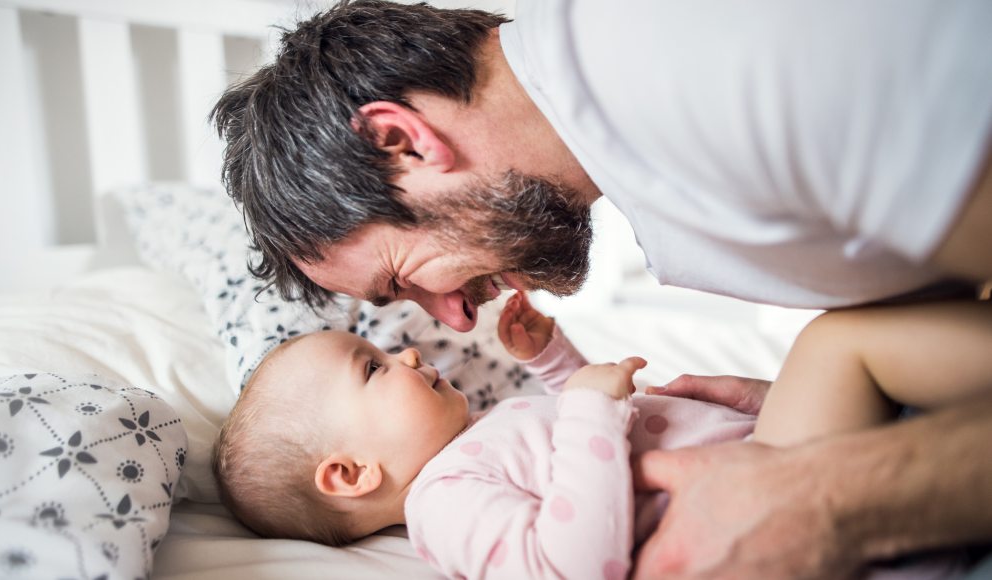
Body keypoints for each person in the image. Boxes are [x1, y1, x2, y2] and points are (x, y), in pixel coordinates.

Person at [210, 1, 992, 576]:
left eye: (402, 279)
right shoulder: (449, 495)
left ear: (401, 141)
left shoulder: (726, 72)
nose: (449, 320)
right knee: (840, 345)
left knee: (838, 344)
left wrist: (833, 491)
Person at [213, 292, 987, 578]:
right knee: (836, 341)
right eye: (375, 370)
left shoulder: (477, 440)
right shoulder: (443, 505)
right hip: (768, 504)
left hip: (785, 462)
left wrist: (555, 363)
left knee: (866, 342)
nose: (408, 352)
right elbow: (572, 559)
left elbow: (580, 448)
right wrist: (585, 406)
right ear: (350, 476)